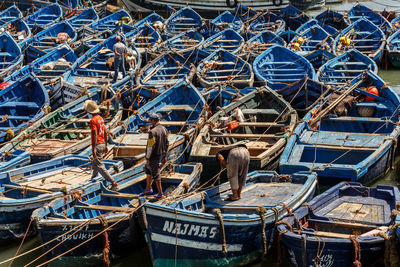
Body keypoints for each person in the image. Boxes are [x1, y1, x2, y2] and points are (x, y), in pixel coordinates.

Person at [85, 100, 118, 190]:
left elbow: (95, 134)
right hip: (103, 143)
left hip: (98, 144)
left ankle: (113, 182)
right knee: (95, 164)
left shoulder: (93, 120)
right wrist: (106, 145)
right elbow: (105, 132)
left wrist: (94, 148)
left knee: (99, 165)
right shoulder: (100, 118)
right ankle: (93, 179)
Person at [140, 113, 169, 199]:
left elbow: (150, 146)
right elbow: (167, 143)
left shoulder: (152, 132)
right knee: (148, 170)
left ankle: (160, 193)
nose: (149, 122)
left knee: (156, 174)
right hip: (161, 153)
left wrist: (148, 159)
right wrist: (165, 155)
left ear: (153, 121)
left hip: (153, 155)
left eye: (150, 120)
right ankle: (148, 188)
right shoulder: (164, 129)